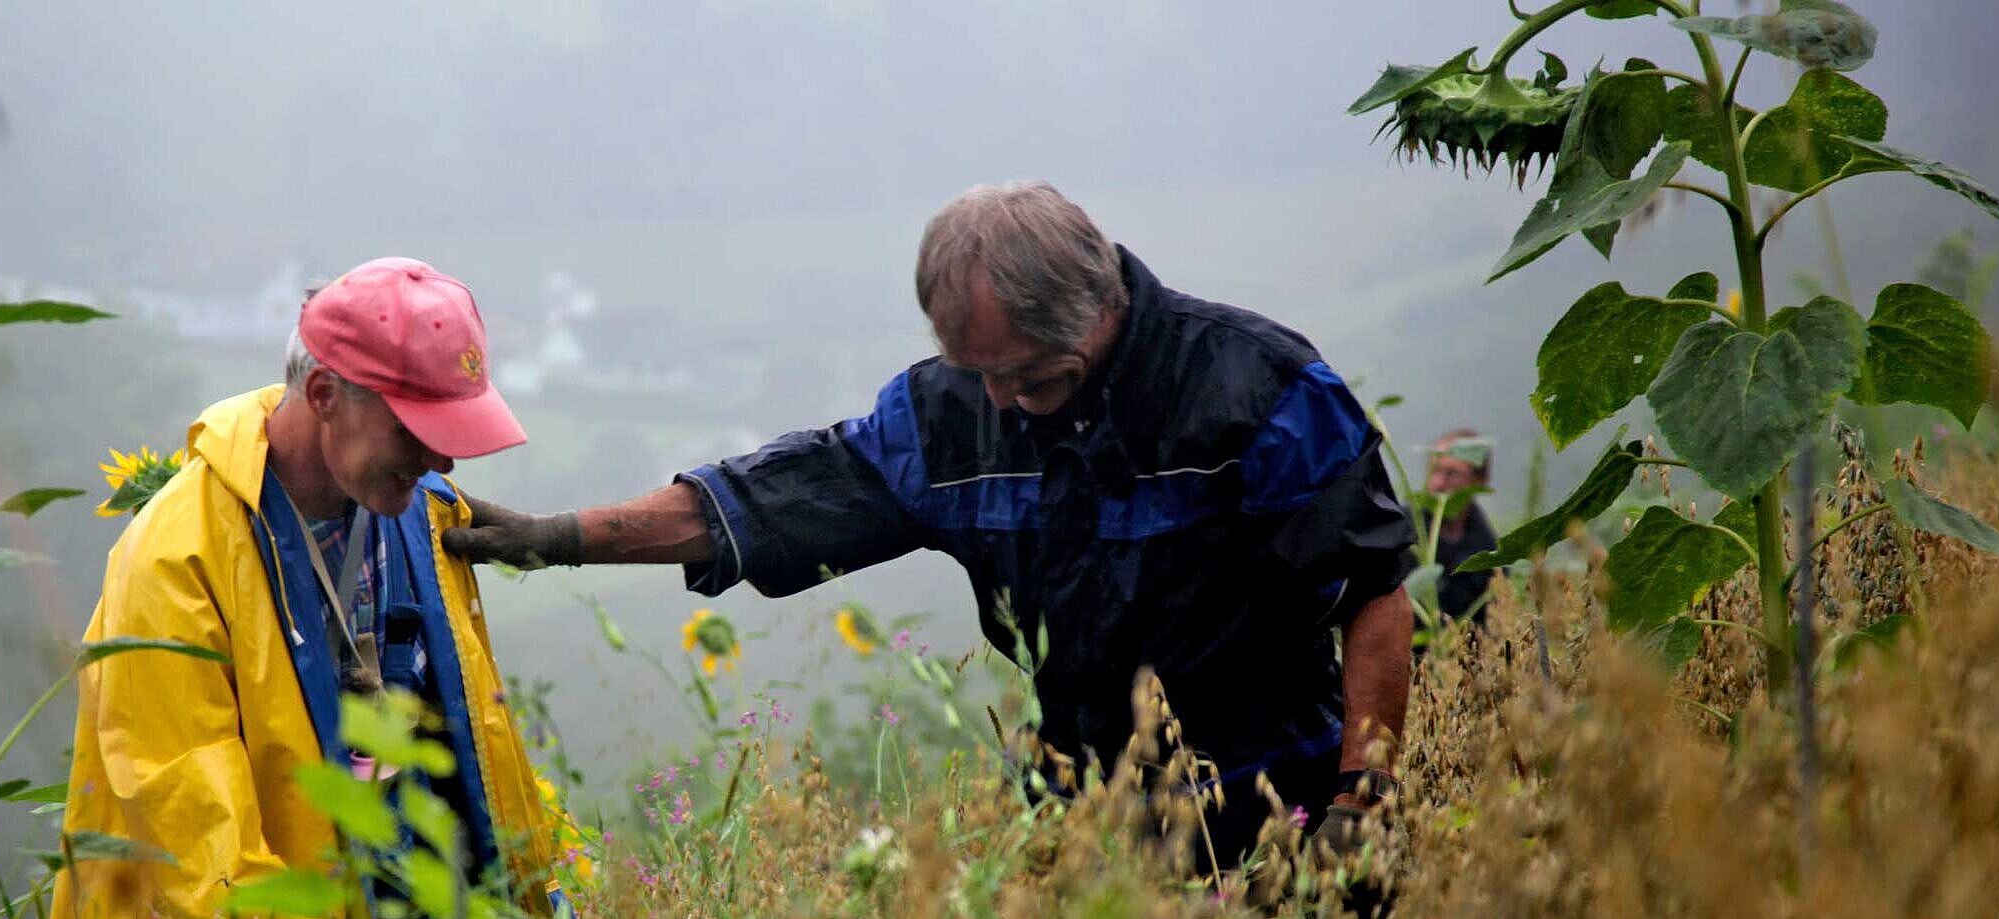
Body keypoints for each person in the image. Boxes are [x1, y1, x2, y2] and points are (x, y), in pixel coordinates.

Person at [443, 182, 1415, 863]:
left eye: (1029, 373)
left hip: (1274, 802)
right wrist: (559, 538)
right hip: (1091, 823)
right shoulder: (951, 413)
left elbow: (1373, 590)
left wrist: (1360, 799)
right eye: (976, 372)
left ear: (1097, 308)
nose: (1003, 399)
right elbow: (773, 498)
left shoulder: (1255, 388)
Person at [54, 258, 569, 917]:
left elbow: (481, 754)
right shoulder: (173, 560)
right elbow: (207, 861)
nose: (442, 460)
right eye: (416, 430)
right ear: (325, 394)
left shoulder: (422, 511)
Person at [1417, 428, 1498, 624]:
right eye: (1434, 470)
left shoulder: (1489, 553)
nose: (1438, 483)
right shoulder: (1401, 532)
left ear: (1480, 480)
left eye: (1452, 473)